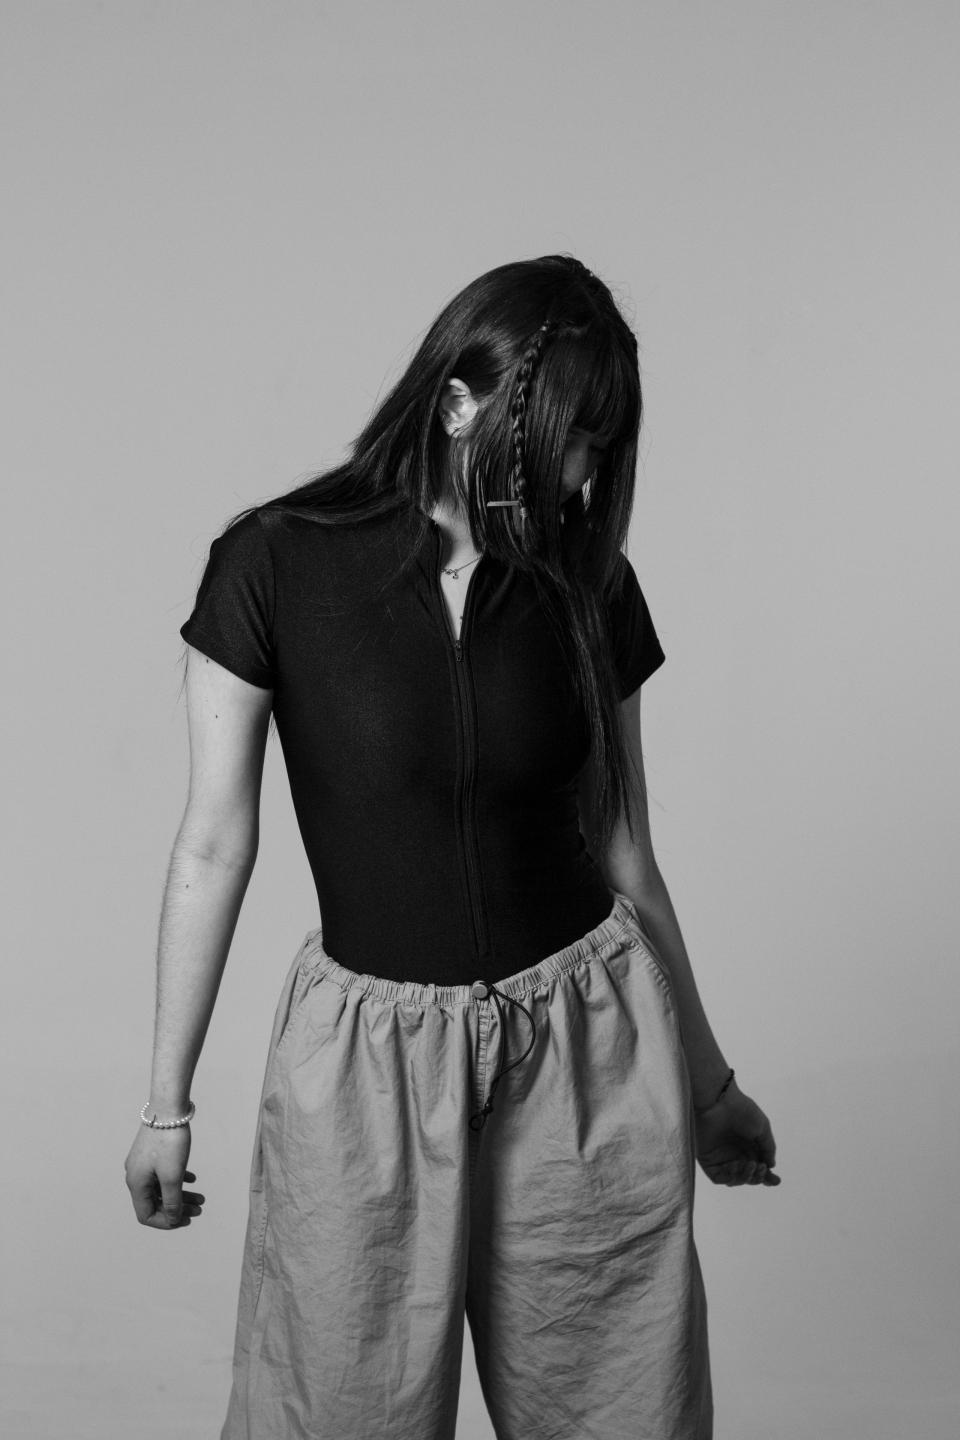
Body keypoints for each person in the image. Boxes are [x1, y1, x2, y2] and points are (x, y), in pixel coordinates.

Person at [124, 253, 779, 1440]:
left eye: (601, 448)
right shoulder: (276, 562)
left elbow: (623, 847)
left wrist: (710, 1082)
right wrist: (166, 1104)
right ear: (460, 402)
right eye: (568, 442)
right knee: (334, 1411)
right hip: (363, 1063)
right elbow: (214, 844)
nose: (582, 476)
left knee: (622, 1413)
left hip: (586, 1043)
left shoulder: (589, 583)